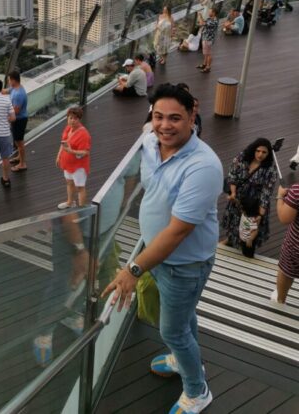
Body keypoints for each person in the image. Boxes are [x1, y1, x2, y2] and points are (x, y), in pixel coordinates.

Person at [102, 83, 223, 414]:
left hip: (185, 264)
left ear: (191, 117)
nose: (165, 125)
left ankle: (197, 391)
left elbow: (178, 231)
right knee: (183, 321)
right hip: (160, 258)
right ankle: (186, 361)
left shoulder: (203, 166)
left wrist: (133, 269)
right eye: (158, 116)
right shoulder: (151, 140)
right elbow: (148, 135)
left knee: (172, 329)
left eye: (175, 118)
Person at [221, 138, 277, 249]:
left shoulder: (270, 169)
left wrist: (260, 214)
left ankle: (246, 247)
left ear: (268, 153)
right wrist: (233, 192)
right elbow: (233, 174)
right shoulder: (242, 157)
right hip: (238, 197)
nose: (260, 154)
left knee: (250, 227)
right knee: (235, 220)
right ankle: (230, 240)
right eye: (258, 151)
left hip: (254, 203)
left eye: (264, 152)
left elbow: (266, 193)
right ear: (253, 149)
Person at [56, 106, 91, 210]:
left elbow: (85, 152)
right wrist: (58, 156)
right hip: (68, 164)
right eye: (70, 118)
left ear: (79, 119)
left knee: (80, 187)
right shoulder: (68, 129)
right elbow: (63, 143)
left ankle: (81, 210)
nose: (72, 121)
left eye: (75, 118)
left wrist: (71, 151)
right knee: (69, 183)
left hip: (78, 166)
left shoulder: (84, 134)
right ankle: (70, 202)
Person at [271, 183, 299, 304]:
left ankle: (280, 300)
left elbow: (284, 217)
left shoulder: (297, 190)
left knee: (286, 273)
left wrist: (280, 196)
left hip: (295, 247)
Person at [3, 70, 28, 172]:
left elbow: (15, 111)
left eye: (9, 80)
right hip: (19, 119)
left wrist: (5, 118)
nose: (8, 82)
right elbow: (5, 91)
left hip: (19, 121)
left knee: (20, 143)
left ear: (13, 80)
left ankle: (22, 164)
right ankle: (19, 158)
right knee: (18, 142)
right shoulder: (16, 88)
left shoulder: (18, 94)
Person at [197, 7, 218, 73]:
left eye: (210, 11)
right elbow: (203, 22)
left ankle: (208, 67)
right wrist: (201, 18)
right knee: (206, 53)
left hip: (208, 39)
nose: (209, 12)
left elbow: (202, 24)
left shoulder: (214, 21)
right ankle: (204, 64)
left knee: (208, 54)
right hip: (205, 37)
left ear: (214, 13)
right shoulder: (209, 18)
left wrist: (200, 16)